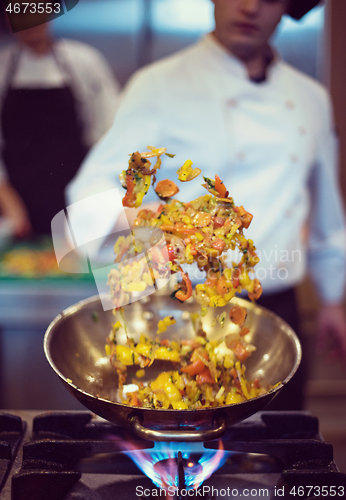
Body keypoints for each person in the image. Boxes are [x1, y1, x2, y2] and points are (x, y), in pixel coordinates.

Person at [66, 0, 346, 409]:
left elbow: (327, 215)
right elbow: (86, 195)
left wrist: (333, 299)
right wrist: (149, 217)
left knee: (276, 456)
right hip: (177, 313)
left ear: (289, 6)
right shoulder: (158, 84)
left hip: (274, 319)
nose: (250, 7)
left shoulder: (311, 99)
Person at [0, 4, 121, 236]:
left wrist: (96, 197)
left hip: (78, 196)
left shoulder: (85, 61)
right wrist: (9, 203)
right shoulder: (2, 66)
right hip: (15, 203)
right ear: (8, 18)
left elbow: (109, 135)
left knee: (80, 267)